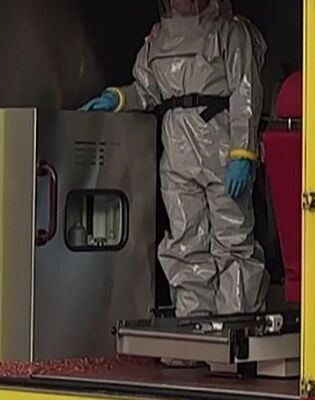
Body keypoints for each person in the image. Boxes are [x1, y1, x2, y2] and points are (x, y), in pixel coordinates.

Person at [80, 0, 268, 320]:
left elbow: (245, 93)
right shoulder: (159, 38)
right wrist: (119, 99)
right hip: (178, 151)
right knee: (185, 241)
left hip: (221, 148)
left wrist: (243, 152)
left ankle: (236, 326)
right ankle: (194, 325)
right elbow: (147, 89)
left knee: (232, 239)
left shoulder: (231, 33)